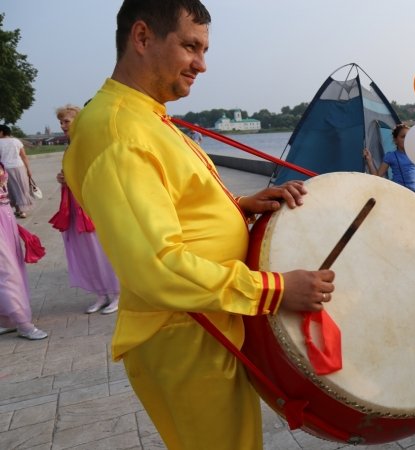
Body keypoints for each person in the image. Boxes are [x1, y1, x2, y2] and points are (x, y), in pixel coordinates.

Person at [62, 1, 335, 448]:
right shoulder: (118, 132)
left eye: (204, 50)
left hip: (203, 322)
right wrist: (276, 290)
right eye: (191, 47)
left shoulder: (144, 118)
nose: (201, 65)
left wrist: (241, 207)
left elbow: (173, 206)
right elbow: (157, 265)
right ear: (143, 37)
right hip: (185, 332)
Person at [50, 104, 121, 314]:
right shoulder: (71, 145)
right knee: (86, 250)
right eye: (61, 122)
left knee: (100, 248)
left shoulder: (88, 143)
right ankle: (101, 293)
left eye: (66, 121)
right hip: (74, 202)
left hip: (88, 203)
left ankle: (117, 292)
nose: (63, 125)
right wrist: (63, 178)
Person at [0, 162, 48, 340]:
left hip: (5, 215)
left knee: (12, 267)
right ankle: (22, 323)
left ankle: (7, 319)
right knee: (6, 271)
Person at [362, 123, 415, 193]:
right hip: (397, 193)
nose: (406, 139)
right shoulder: (391, 156)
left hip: (413, 195)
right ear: (395, 140)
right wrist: (369, 161)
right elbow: (377, 177)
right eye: (403, 137)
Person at [0, 124, 34, 218]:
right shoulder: (16, 141)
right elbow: (24, 156)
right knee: (21, 187)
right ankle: (22, 210)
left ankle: (16, 209)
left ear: (2, 132)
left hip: (5, 168)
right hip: (19, 167)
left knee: (10, 189)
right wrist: (28, 169)